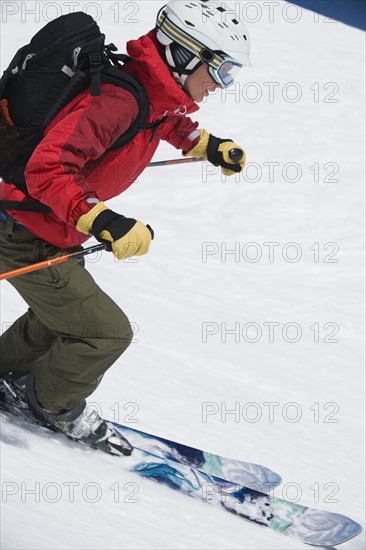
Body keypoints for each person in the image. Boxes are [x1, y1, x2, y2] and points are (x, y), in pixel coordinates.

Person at [0, 1, 251, 454]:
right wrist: (102, 218)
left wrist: (206, 145)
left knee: (60, 317)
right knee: (105, 332)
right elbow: (48, 167)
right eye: (220, 68)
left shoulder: (147, 88)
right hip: (25, 229)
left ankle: (6, 373)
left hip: (41, 226)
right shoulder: (118, 99)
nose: (221, 83)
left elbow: (163, 119)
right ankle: (52, 405)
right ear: (184, 54)